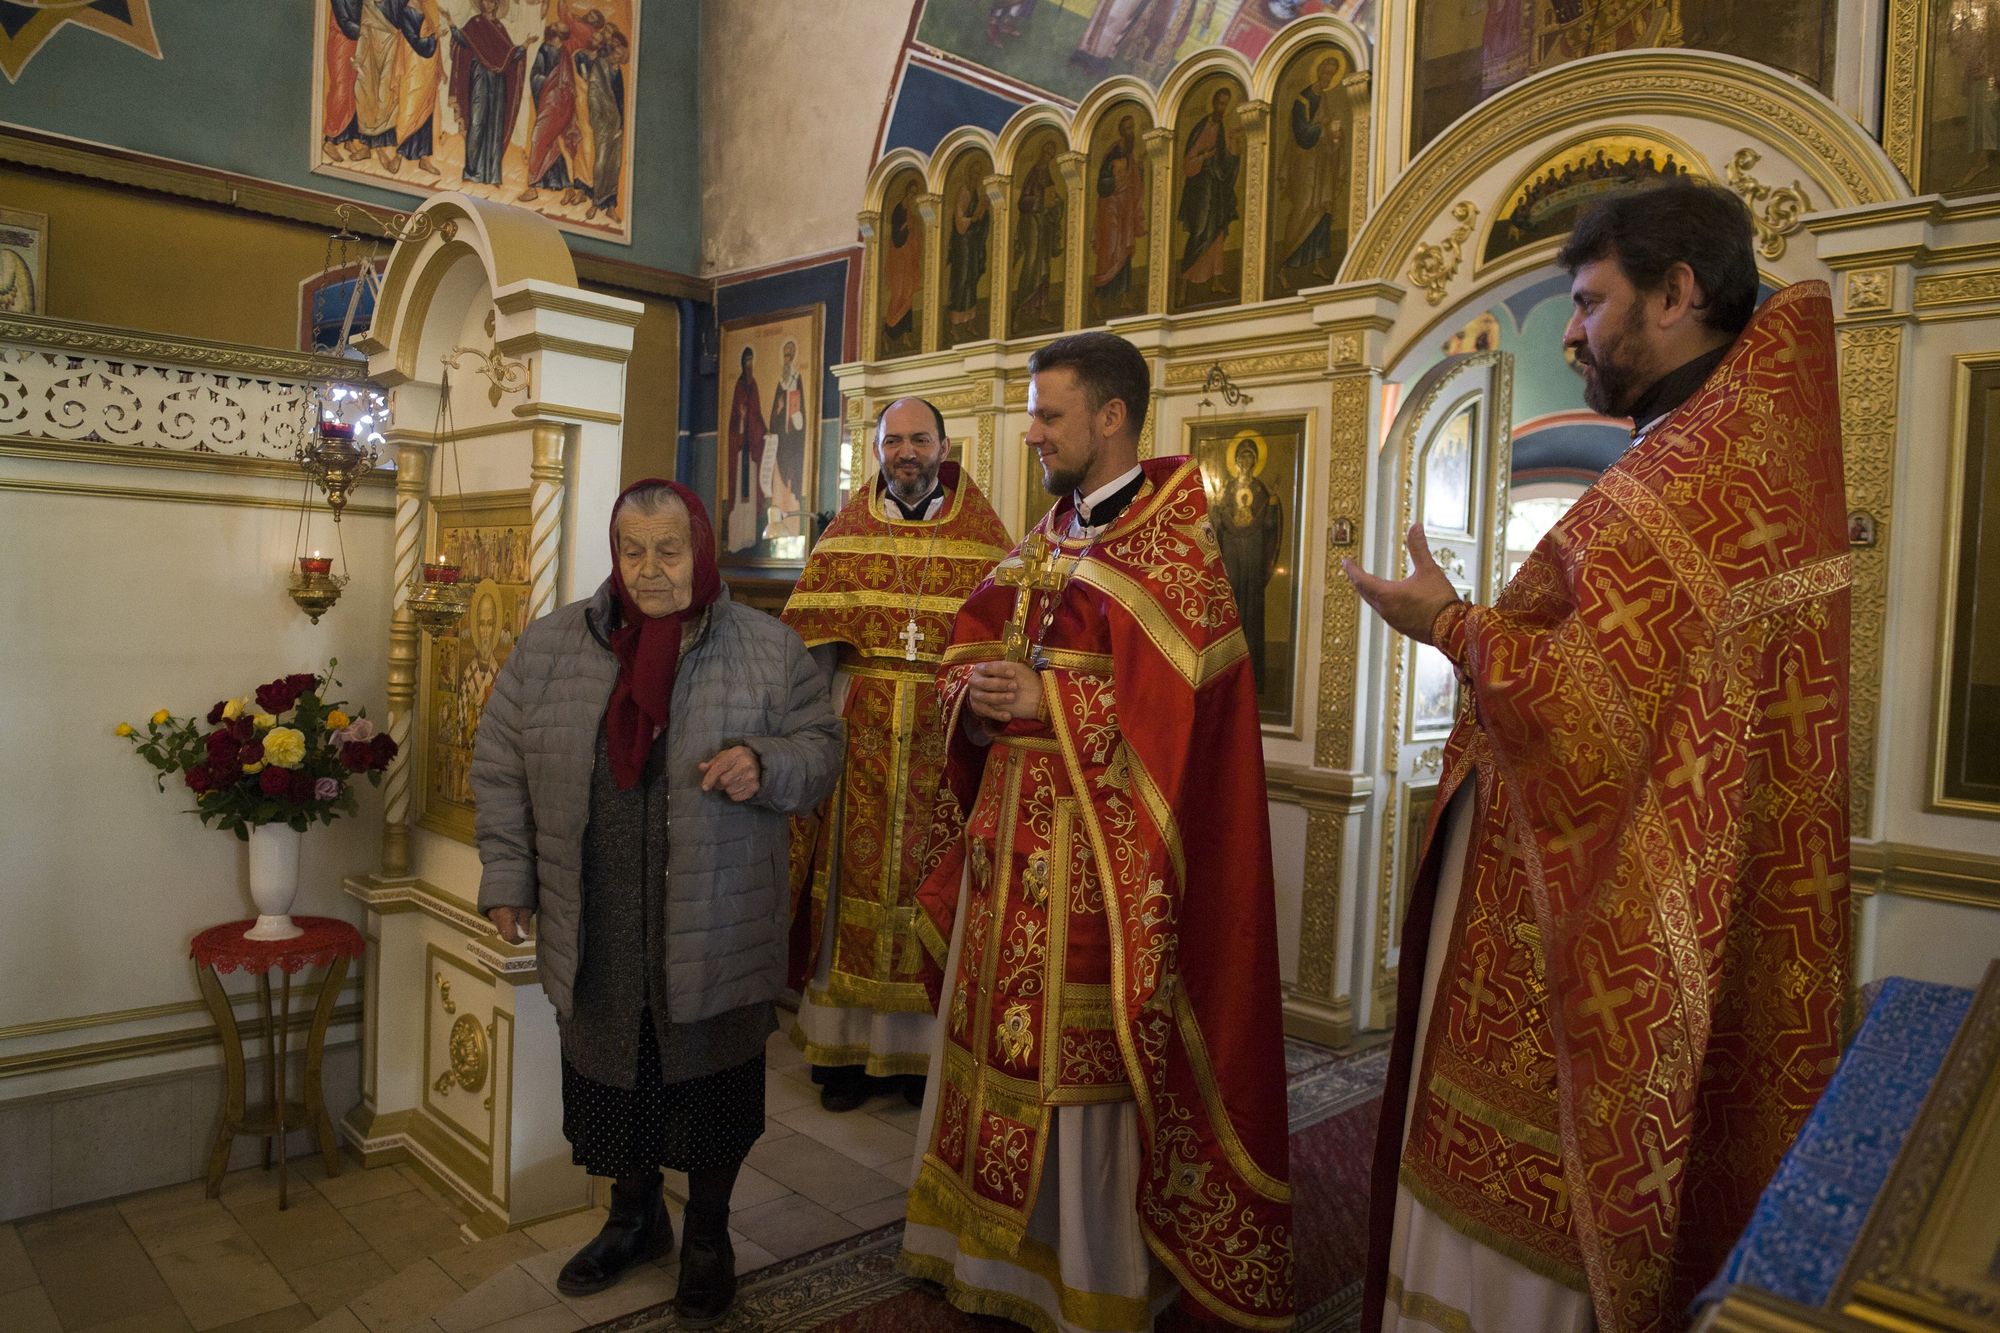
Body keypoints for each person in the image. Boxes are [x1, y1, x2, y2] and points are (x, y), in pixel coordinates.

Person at [1345, 181, 1850, 1333]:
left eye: (1587, 301)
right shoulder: (1732, 456)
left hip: (1583, 948)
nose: (1569, 331)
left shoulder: (1687, 478)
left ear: (1674, 294)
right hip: (1621, 899)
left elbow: (1582, 713)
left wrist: (1446, 624)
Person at [899, 332, 1294, 1331]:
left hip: (1098, 873)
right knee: (988, 1053)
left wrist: (1053, 700)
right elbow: (965, 647)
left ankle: (1085, 1277)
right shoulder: (1047, 536)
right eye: (1032, 414)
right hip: (1005, 861)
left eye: (1048, 414)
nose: (1030, 433)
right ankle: (978, 1250)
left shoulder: (1175, 551)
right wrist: (977, 699)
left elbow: (1184, 730)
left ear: (1111, 417)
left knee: (1082, 1072)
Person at [474, 480, 843, 1324]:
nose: (649, 570)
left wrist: (765, 762)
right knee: (613, 1081)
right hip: (597, 915)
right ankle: (634, 1218)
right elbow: (498, 764)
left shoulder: (767, 647)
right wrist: (508, 878)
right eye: (632, 550)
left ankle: (709, 1235)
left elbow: (823, 749)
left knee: (713, 1090)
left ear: (700, 548)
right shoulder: (553, 645)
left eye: (669, 550)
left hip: (715, 918)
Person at [779, 398, 1011, 1113]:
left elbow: (1007, 640)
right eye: (893, 441)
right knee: (850, 886)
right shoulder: (848, 530)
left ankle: (916, 1057)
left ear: (944, 445)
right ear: (877, 449)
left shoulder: (983, 535)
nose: (906, 452)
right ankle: (843, 1053)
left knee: (930, 889)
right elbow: (807, 651)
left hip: (947, 746)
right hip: (861, 744)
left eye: (919, 439)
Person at [1215, 435, 1282, 691]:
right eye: (1241, 457)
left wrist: (1272, 503)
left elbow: (1269, 525)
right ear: (1235, 461)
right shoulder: (1228, 488)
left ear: (1255, 461)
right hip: (1232, 553)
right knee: (1230, 607)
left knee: (1251, 610)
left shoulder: (1261, 490)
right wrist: (1218, 507)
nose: (1245, 461)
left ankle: (1252, 674)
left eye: (1249, 457)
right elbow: (1218, 526)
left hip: (1253, 553)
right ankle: (1227, 675)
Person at [449, 0, 526, 188]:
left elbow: (509, 56)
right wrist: (452, 27)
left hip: (498, 83)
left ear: (497, 4)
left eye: (492, 1)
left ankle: (492, 175)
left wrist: (523, 47)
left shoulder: (499, 27)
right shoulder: (475, 23)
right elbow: (463, 40)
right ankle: (471, 171)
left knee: (495, 125)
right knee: (477, 122)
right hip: (479, 78)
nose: (488, 4)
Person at [1178, 85, 1242, 304]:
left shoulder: (1222, 128)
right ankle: (1183, 285)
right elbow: (1188, 163)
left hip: (1216, 190)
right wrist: (1205, 156)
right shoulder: (1202, 127)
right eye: (1220, 103)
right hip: (1200, 191)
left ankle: (1216, 280)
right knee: (1199, 233)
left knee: (1218, 233)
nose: (1222, 108)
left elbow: (1225, 163)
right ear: (1213, 103)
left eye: (1225, 104)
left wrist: (1233, 143)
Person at [1091, 113, 1148, 320]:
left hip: (1125, 209)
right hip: (1111, 209)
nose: (1130, 132)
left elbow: (1135, 181)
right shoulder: (1113, 152)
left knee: (1125, 251)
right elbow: (1103, 184)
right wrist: (1118, 175)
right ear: (1121, 131)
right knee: (1109, 252)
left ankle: (1124, 297)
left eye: (1132, 128)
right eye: (1127, 128)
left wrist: (1139, 169)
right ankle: (1097, 298)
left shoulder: (1131, 154)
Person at [724, 345, 767, 553]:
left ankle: (749, 538)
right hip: (741, 450)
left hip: (752, 452)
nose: (749, 365)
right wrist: (741, 419)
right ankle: (737, 539)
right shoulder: (739, 387)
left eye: (752, 361)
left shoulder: (754, 385)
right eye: (746, 361)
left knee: (750, 494)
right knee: (740, 495)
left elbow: (757, 415)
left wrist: (763, 431)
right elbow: (734, 422)